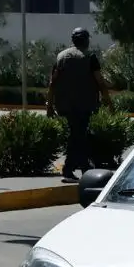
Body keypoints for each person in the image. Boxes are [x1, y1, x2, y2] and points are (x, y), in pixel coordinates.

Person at [46, 28, 113, 181]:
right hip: (84, 104)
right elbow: (100, 83)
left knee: (78, 134)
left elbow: (52, 83)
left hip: (65, 105)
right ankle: (74, 169)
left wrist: (49, 105)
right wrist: (109, 103)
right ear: (86, 40)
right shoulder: (90, 57)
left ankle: (81, 168)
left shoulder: (61, 57)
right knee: (78, 134)